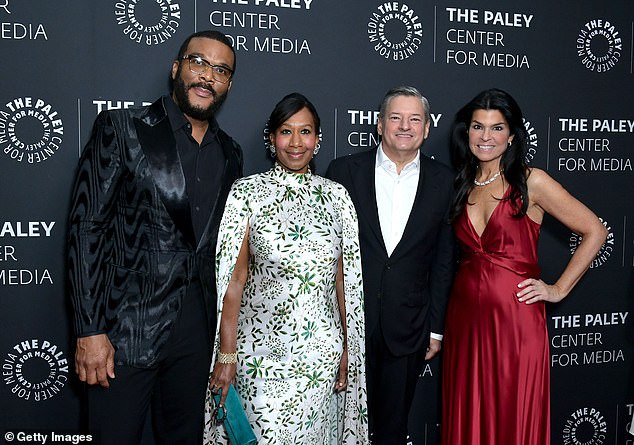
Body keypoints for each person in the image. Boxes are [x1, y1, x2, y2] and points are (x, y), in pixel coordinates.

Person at [67, 30, 243, 444]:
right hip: (122, 331)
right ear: (176, 67)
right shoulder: (122, 128)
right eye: (198, 62)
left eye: (220, 70)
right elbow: (87, 227)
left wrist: (222, 344)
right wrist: (90, 330)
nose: (207, 76)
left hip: (196, 336)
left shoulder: (231, 152)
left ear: (228, 84)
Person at [440, 88, 608, 445]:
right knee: (469, 412)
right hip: (465, 321)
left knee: (513, 414)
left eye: (497, 128)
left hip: (516, 323)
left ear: (512, 135)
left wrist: (557, 288)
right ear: (466, 132)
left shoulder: (532, 181)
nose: (486, 137)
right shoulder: (460, 183)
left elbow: (595, 230)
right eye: (478, 127)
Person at [205, 93, 368, 444]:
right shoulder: (246, 193)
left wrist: (348, 351)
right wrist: (227, 354)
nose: (296, 143)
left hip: (321, 357)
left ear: (318, 138)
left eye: (305, 131)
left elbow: (344, 282)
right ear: (271, 138)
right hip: (258, 358)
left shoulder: (337, 197)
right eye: (286, 131)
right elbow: (234, 281)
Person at [326, 86, 456, 444]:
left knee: (391, 431)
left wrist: (435, 330)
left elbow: (444, 260)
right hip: (346, 328)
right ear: (380, 125)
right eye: (395, 118)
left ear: (427, 128)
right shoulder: (343, 172)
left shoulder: (445, 182)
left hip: (409, 327)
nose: (405, 126)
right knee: (338, 428)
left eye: (415, 119)